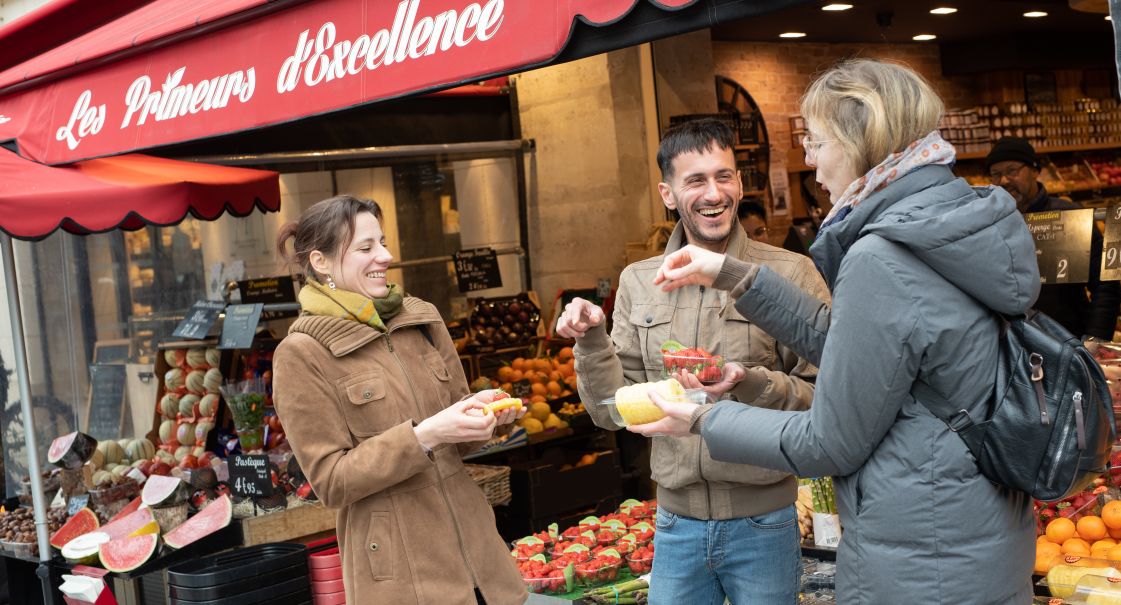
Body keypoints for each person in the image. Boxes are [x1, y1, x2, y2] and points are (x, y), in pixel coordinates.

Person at [630, 60, 1039, 604]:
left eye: (817, 141)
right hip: (974, 526)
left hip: (921, 549)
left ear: (859, 140)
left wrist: (703, 418)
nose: (809, 158)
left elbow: (828, 441)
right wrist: (730, 274)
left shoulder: (883, 254)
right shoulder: (948, 219)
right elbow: (864, 351)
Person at [556, 118, 830, 605]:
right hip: (675, 526)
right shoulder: (640, 281)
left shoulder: (790, 272)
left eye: (724, 176)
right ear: (667, 193)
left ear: (740, 183)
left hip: (764, 522)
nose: (713, 193)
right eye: (695, 180)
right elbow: (610, 410)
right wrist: (592, 338)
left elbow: (826, 398)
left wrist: (747, 382)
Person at [272, 195, 527, 605]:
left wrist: (491, 417)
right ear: (320, 262)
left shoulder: (420, 318)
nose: (386, 257)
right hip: (404, 577)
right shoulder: (301, 353)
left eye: (383, 242)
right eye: (366, 247)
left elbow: (460, 436)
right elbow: (332, 482)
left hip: (484, 561)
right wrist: (424, 436)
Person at [986, 136, 1120, 341]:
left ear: (1035, 170)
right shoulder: (989, 224)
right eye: (995, 174)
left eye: (1012, 170)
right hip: (1014, 346)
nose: (1003, 181)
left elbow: (1105, 285)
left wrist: (1095, 339)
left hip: (1071, 341)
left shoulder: (1070, 217)